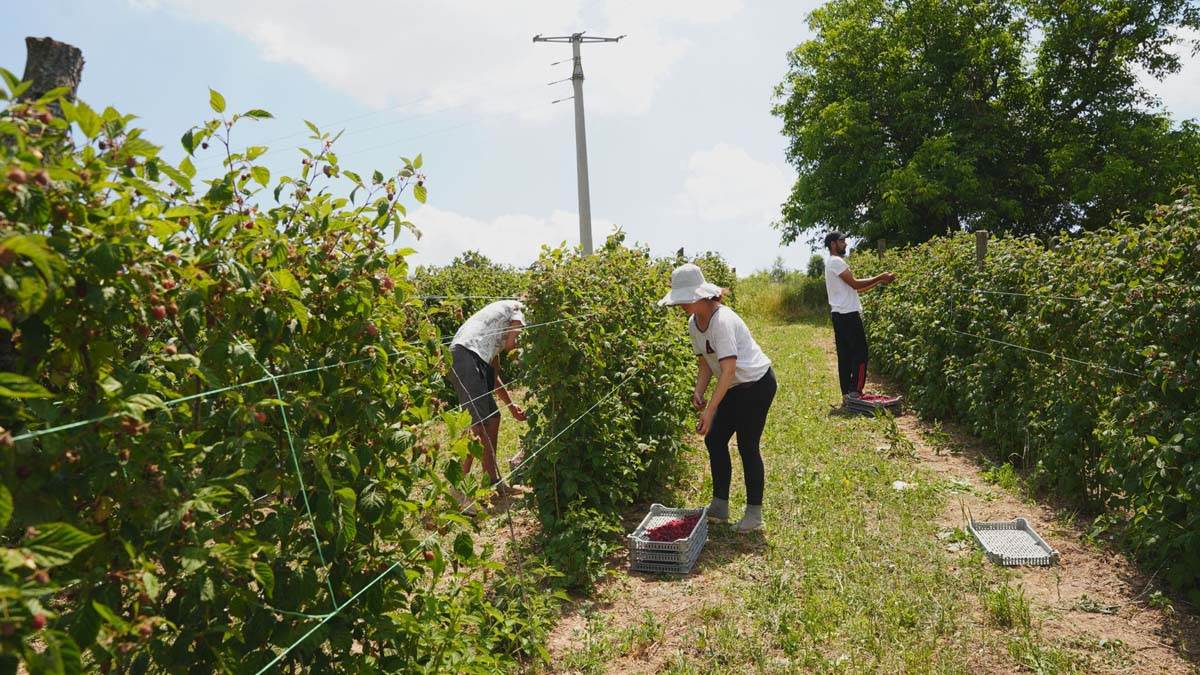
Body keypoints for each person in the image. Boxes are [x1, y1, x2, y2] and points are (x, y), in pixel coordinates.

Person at [659, 264, 776, 533]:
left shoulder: (722, 321)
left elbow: (729, 370)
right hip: (734, 386)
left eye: (685, 298)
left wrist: (710, 411)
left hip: (756, 384)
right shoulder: (693, 323)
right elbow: (705, 365)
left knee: (748, 446)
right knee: (714, 439)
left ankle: (754, 515)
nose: (681, 305)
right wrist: (699, 391)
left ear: (701, 295)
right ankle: (720, 505)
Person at [447, 299, 527, 495]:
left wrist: (510, 405)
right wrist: (529, 349)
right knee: (477, 428)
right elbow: (512, 344)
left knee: (492, 419)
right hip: (465, 356)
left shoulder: (491, 335)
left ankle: (492, 483)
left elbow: (493, 376)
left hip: (466, 356)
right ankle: (456, 491)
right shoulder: (519, 308)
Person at [822, 232, 895, 401]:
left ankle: (848, 392)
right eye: (842, 241)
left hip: (840, 315)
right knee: (861, 353)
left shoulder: (832, 263)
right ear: (833, 244)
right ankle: (856, 390)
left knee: (846, 354)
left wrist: (879, 281)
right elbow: (855, 283)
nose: (845, 244)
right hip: (848, 314)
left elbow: (856, 288)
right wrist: (881, 276)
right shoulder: (836, 262)